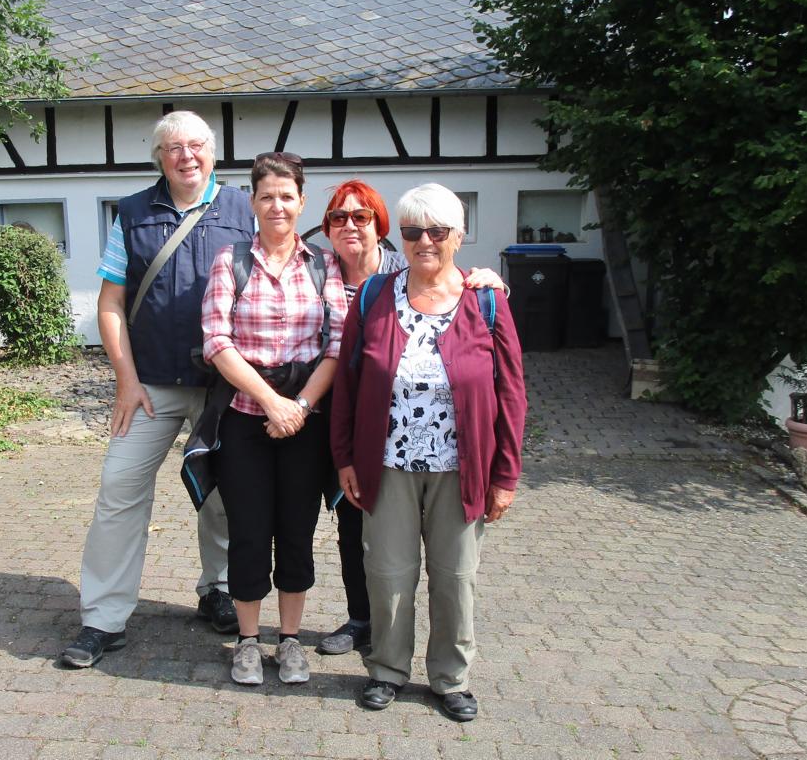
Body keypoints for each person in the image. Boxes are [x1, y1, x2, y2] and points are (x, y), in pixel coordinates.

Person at [61, 111, 251, 669]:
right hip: (150, 385)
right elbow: (110, 303)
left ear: (213, 152)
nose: (186, 156)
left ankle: (219, 589)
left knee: (225, 494)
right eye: (173, 148)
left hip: (225, 386)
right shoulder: (133, 213)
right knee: (119, 488)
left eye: (196, 145)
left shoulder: (245, 209)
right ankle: (103, 617)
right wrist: (125, 381)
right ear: (159, 158)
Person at [330, 183, 526, 721]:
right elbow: (348, 384)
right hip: (386, 464)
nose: (425, 242)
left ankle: (450, 678)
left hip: (461, 468)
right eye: (413, 231)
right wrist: (344, 457)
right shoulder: (373, 297)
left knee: (455, 576)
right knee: (388, 573)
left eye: (437, 231)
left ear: (458, 236)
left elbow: (512, 394)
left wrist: (505, 475)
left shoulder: (486, 301)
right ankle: (387, 669)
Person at [200, 152, 348, 685]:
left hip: (305, 422)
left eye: (287, 196)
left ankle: (288, 640)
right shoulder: (231, 260)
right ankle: (246, 641)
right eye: (267, 196)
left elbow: (337, 345)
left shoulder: (323, 263)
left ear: (301, 201)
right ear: (253, 202)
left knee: (296, 532)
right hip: (246, 418)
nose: (277, 205)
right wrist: (271, 402)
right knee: (248, 530)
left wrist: (300, 406)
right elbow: (217, 341)